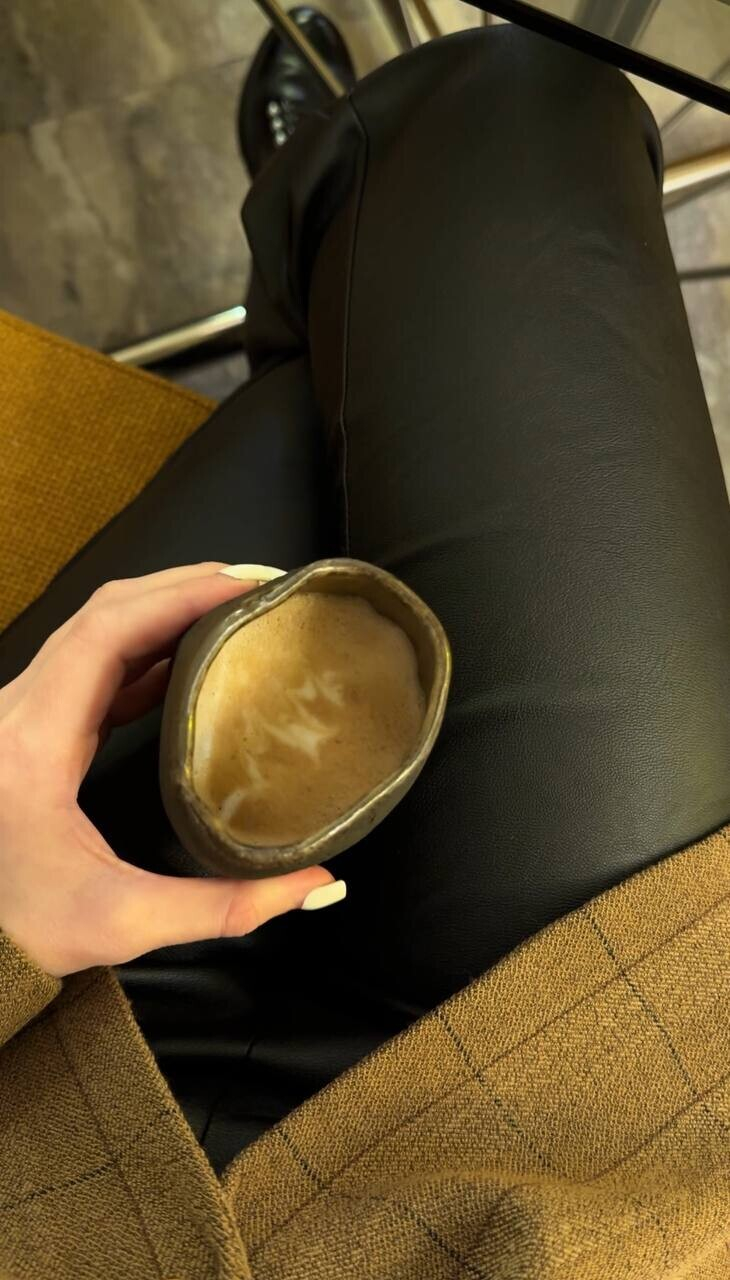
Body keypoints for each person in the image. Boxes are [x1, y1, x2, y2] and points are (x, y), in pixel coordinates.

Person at [1, 15, 729, 1278]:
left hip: (42, 1114)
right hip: (578, 1155)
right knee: (512, 112)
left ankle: (336, 228)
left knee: (436, 245)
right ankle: (340, 219)